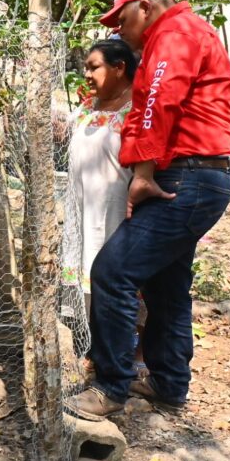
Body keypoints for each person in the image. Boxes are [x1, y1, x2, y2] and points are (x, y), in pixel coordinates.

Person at [65, 0, 230, 421]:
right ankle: (168, 383)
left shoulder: (174, 34)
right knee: (167, 287)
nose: (118, 30)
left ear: (145, 8)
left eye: (121, 20)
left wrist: (141, 174)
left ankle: (111, 386)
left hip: (187, 177)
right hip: (197, 176)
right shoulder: (180, 33)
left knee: (112, 271)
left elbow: (159, 104)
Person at [61, 40, 147, 373]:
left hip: (117, 213)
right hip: (81, 209)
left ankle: (135, 355)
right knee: (86, 275)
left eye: (93, 66)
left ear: (119, 67)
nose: (86, 73)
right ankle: (96, 349)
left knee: (122, 281)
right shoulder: (88, 106)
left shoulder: (137, 109)